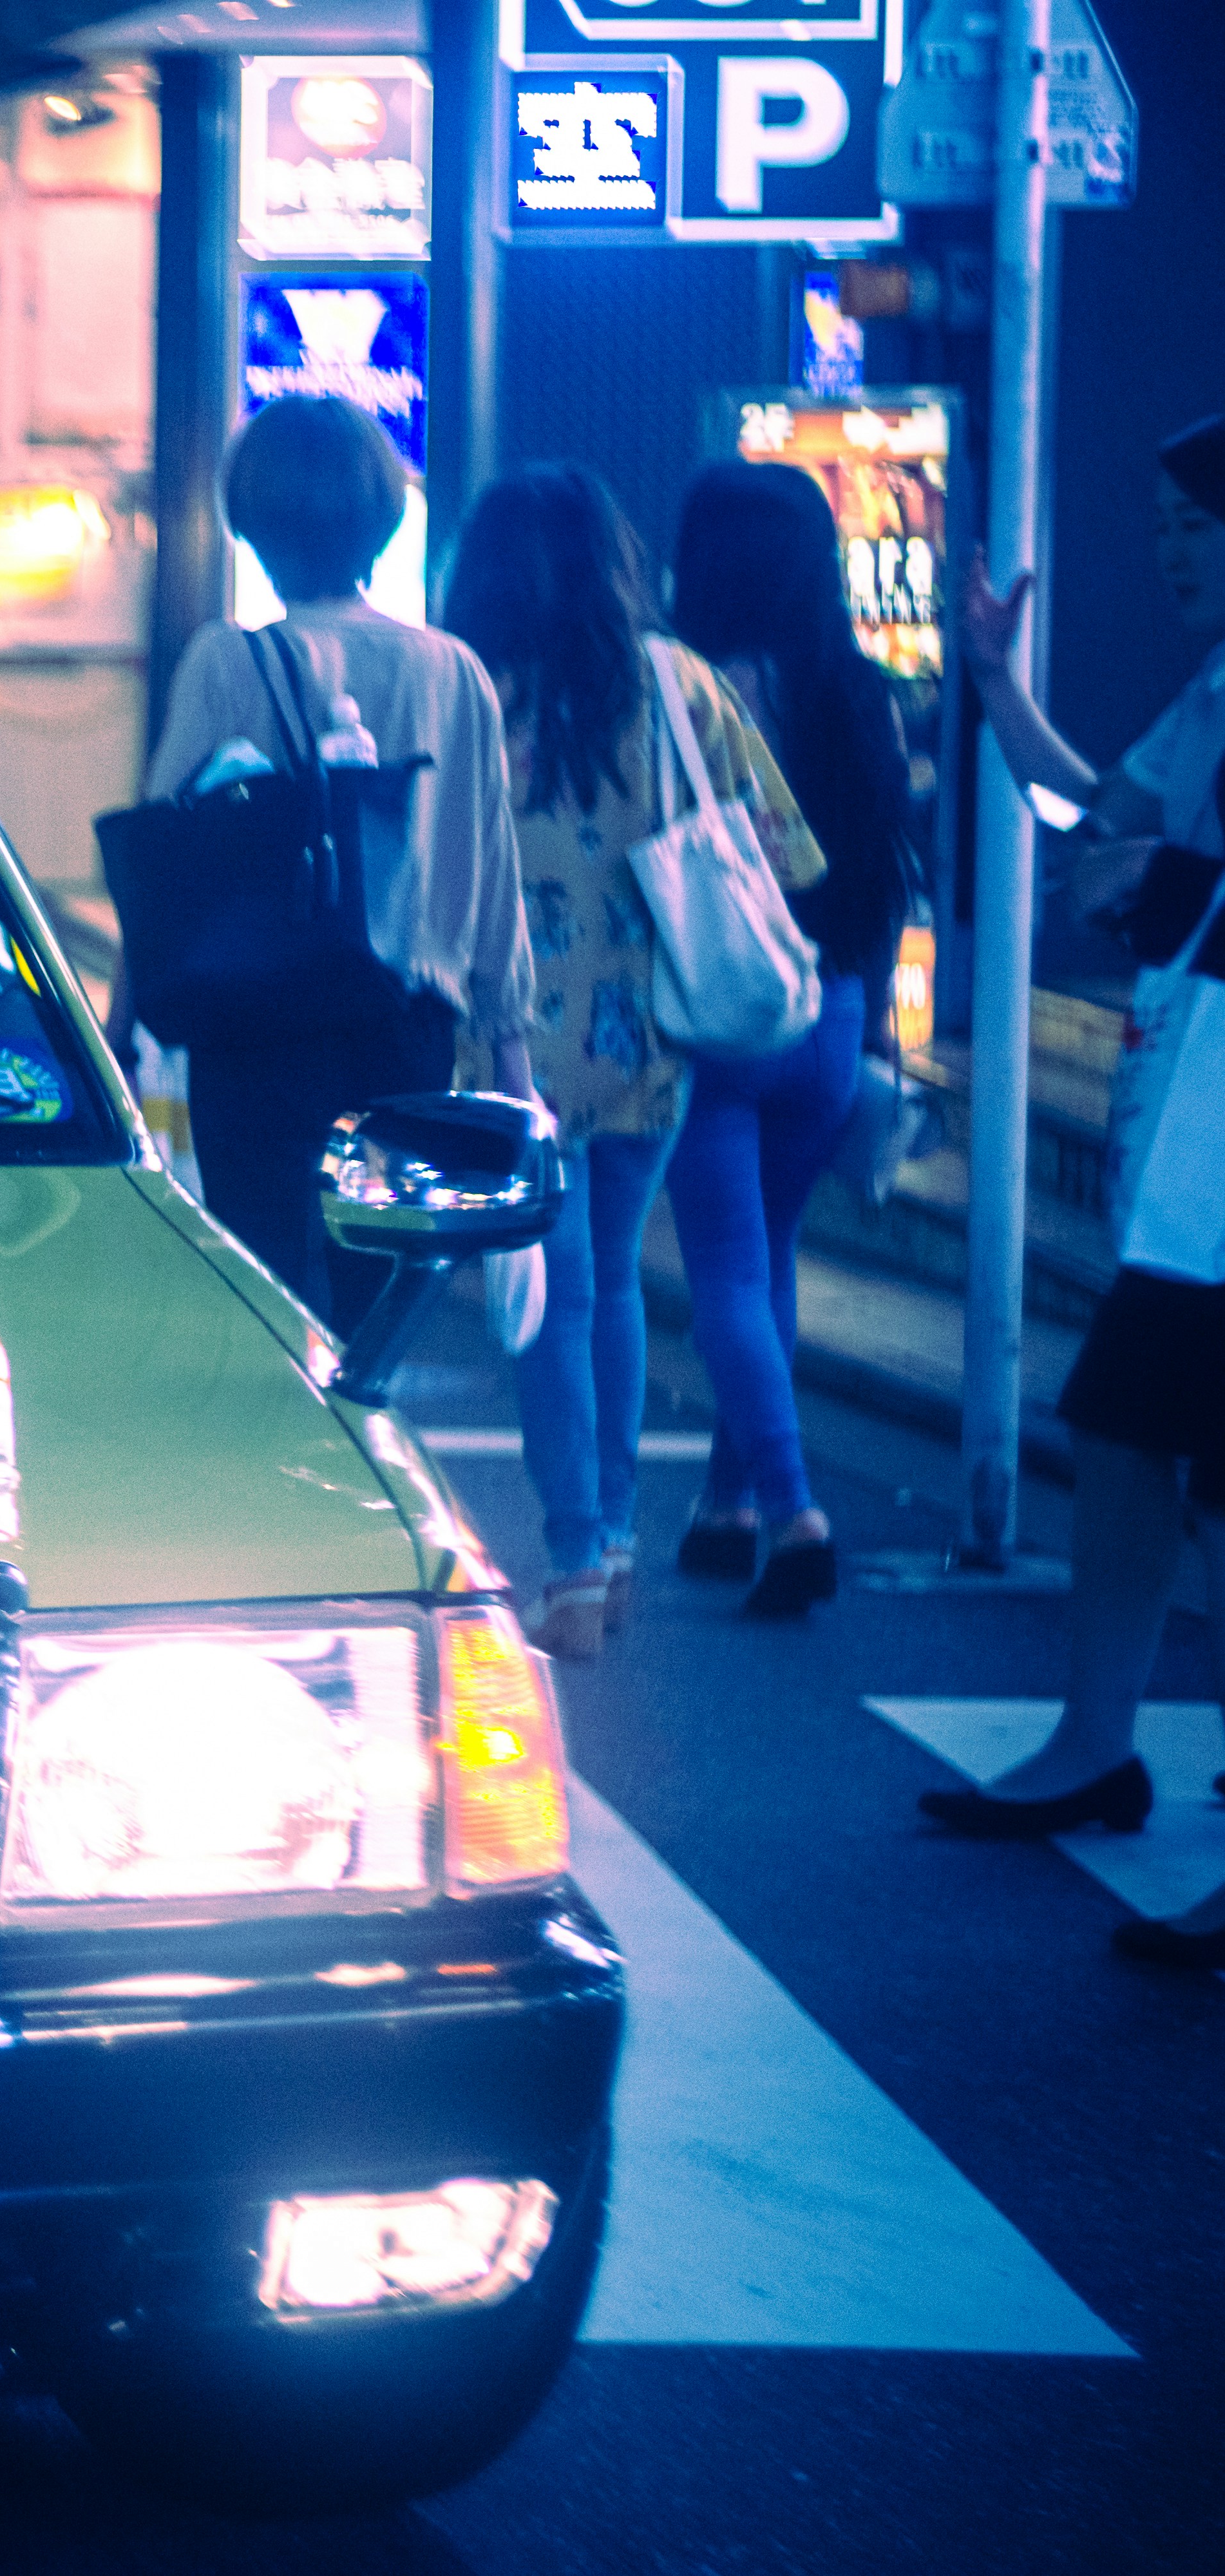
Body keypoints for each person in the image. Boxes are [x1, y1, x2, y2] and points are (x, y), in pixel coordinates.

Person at [914, 411, 1225, 1971]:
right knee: (1129, 1420)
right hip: (1197, 1142)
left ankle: (1099, 1735)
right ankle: (1095, 1734)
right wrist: (996, 684)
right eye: (1166, 523)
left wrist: (1167, 887)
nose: (1172, 548)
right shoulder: (1215, 686)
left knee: (1140, 1422)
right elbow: (1103, 810)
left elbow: (1160, 865)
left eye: (1197, 523)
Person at [139, 394, 537, 1327]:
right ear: (381, 522)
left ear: (255, 527)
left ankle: (282, 1463)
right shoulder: (452, 672)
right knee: (378, 1311)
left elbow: (167, 853)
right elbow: (490, 877)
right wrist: (511, 1053)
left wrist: (130, 1020)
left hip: (253, 1030)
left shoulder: (225, 663)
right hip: (404, 1034)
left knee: (267, 1295)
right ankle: (368, 1464)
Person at [439, 465, 713, 1655]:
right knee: (611, 1280)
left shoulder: (471, 698)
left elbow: (431, 875)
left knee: (556, 1295)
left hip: (515, 1047)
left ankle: (574, 1559)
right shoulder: (677, 685)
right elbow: (771, 840)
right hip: (648, 1036)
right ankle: (615, 1542)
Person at [658, 465, 900, 1616]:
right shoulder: (858, 692)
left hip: (716, 1020)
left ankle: (797, 1508)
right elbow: (887, 874)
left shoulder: (679, 691)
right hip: (833, 1016)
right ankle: (729, 1504)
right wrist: (885, 1037)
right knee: (771, 1256)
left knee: (727, 1276)